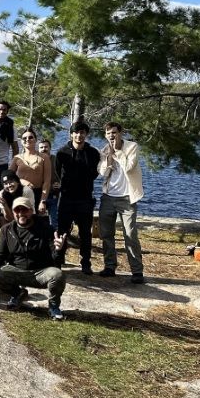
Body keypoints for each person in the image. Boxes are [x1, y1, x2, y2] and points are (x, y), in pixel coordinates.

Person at [0, 196, 68, 320]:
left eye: (24, 210)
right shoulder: (6, 230)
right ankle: (18, 294)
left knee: (57, 275)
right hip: (17, 271)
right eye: (17, 210)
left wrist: (59, 249)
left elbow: (55, 259)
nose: (21, 214)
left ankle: (53, 306)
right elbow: (0, 255)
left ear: (31, 210)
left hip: (40, 272)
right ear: (13, 212)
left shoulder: (46, 228)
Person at [97, 122, 145, 283]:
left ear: (121, 133)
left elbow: (130, 167)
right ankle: (110, 266)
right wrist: (108, 157)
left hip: (127, 198)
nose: (111, 136)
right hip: (108, 197)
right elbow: (102, 172)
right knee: (106, 234)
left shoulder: (132, 147)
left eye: (114, 133)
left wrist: (117, 152)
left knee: (130, 234)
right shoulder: (105, 150)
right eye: (108, 133)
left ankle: (137, 271)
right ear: (105, 135)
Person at [55, 121, 101, 275]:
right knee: (62, 231)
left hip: (85, 199)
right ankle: (59, 260)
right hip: (66, 198)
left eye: (82, 132)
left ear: (86, 135)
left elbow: (95, 173)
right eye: (76, 132)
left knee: (85, 233)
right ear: (71, 134)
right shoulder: (62, 153)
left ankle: (85, 262)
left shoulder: (93, 153)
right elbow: (57, 173)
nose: (79, 135)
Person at [11, 127, 52, 216]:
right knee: (21, 220)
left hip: (38, 193)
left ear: (35, 140)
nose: (27, 140)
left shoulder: (44, 157)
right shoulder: (17, 158)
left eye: (30, 137)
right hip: (21, 193)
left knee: (37, 222)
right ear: (21, 141)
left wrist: (43, 201)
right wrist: (21, 181)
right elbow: (9, 176)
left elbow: (47, 182)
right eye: (24, 138)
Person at [38, 138, 60, 227]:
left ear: (50, 148)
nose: (44, 149)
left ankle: (55, 239)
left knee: (54, 221)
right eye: (41, 147)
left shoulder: (56, 160)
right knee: (39, 220)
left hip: (53, 194)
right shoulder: (36, 160)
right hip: (39, 195)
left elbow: (64, 175)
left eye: (46, 147)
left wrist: (60, 183)